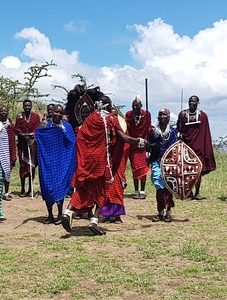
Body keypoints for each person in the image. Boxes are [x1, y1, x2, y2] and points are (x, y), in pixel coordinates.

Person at [62, 91, 146, 235]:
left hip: (89, 163)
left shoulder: (89, 120)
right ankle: (94, 221)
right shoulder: (110, 119)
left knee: (85, 189)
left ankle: (68, 212)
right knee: (104, 191)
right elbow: (124, 138)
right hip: (103, 163)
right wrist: (141, 141)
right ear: (107, 106)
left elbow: (81, 139)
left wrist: (85, 158)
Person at [36, 104, 76, 224]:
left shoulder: (67, 126)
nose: (58, 114)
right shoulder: (44, 125)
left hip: (62, 161)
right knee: (47, 186)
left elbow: (72, 143)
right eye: (56, 112)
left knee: (60, 186)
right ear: (51, 112)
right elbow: (38, 138)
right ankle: (50, 215)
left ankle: (59, 214)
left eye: (60, 112)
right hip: (47, 161)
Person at [176, 95, 217, 199]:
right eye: (190, 102)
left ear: (198, 103)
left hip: (199, 147)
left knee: (198, 171)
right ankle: (188, 192)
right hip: (186, 146)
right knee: (187, 170)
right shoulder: (182, 115)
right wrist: (179, 135)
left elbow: (205, 132)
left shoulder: (203, 116)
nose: (191, 104)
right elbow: (178, 128)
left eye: (194, 102)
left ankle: (197, 192)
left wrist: (205, 146)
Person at [148, 108, 179, 222]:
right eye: (160, 115)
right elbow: (149, 144)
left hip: (169, 162)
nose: (161, 117)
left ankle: (169, 212)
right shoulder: (153, 131)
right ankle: (160, 212)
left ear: (168, 117)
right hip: (156, 160)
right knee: (159, 186)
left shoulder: (173, 132)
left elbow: (176, 147)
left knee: (168, 186)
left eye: (164, 115)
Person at [125, 96, 152, 199]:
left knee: (143, 167)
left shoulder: (147, 114)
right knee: (135, 168)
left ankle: (142, 190)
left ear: (141, 106)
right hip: (133, 145)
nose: (135, 107)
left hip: (144, 145)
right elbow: (127, 129)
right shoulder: (129, 115)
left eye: (137, 105)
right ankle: (136, 190)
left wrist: (147, 143)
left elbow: (148, 128)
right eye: (133, 106)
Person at [15, 99, 40, 197]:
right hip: (22, 145)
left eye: (29, 106)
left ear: (31, 106)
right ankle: (22, 189)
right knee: (22, 166)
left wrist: (31, 135)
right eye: (25, 106)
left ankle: (30, 188)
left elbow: (38, 129)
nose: (27, 107)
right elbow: (16, 129)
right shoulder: (19, 116)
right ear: (23, 106)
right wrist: (23, 135)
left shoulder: (36, 117)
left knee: (31, 167)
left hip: (32, 145)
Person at [0, 106, 17, 200]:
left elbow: (13, 142)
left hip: (8, 153)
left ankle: (6, 193)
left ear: (8, 113)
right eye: (1, 111)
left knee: (7, 173)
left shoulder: (11, 126)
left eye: (5, 111)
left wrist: (13, 156)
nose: (3, 112)